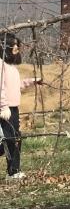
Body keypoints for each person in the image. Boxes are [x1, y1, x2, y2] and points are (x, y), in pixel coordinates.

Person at [0, 33, 42, 180]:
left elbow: (15, 85)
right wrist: (3, 107)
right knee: (8, 140)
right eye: (14, 45)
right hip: (5, 109)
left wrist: (32, 81)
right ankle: (13, 171)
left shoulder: (11, 67)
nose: (17, 48)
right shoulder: (0, 65)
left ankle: (14, 171)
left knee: (15, 138)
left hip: (13, 108)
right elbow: (0, 88)